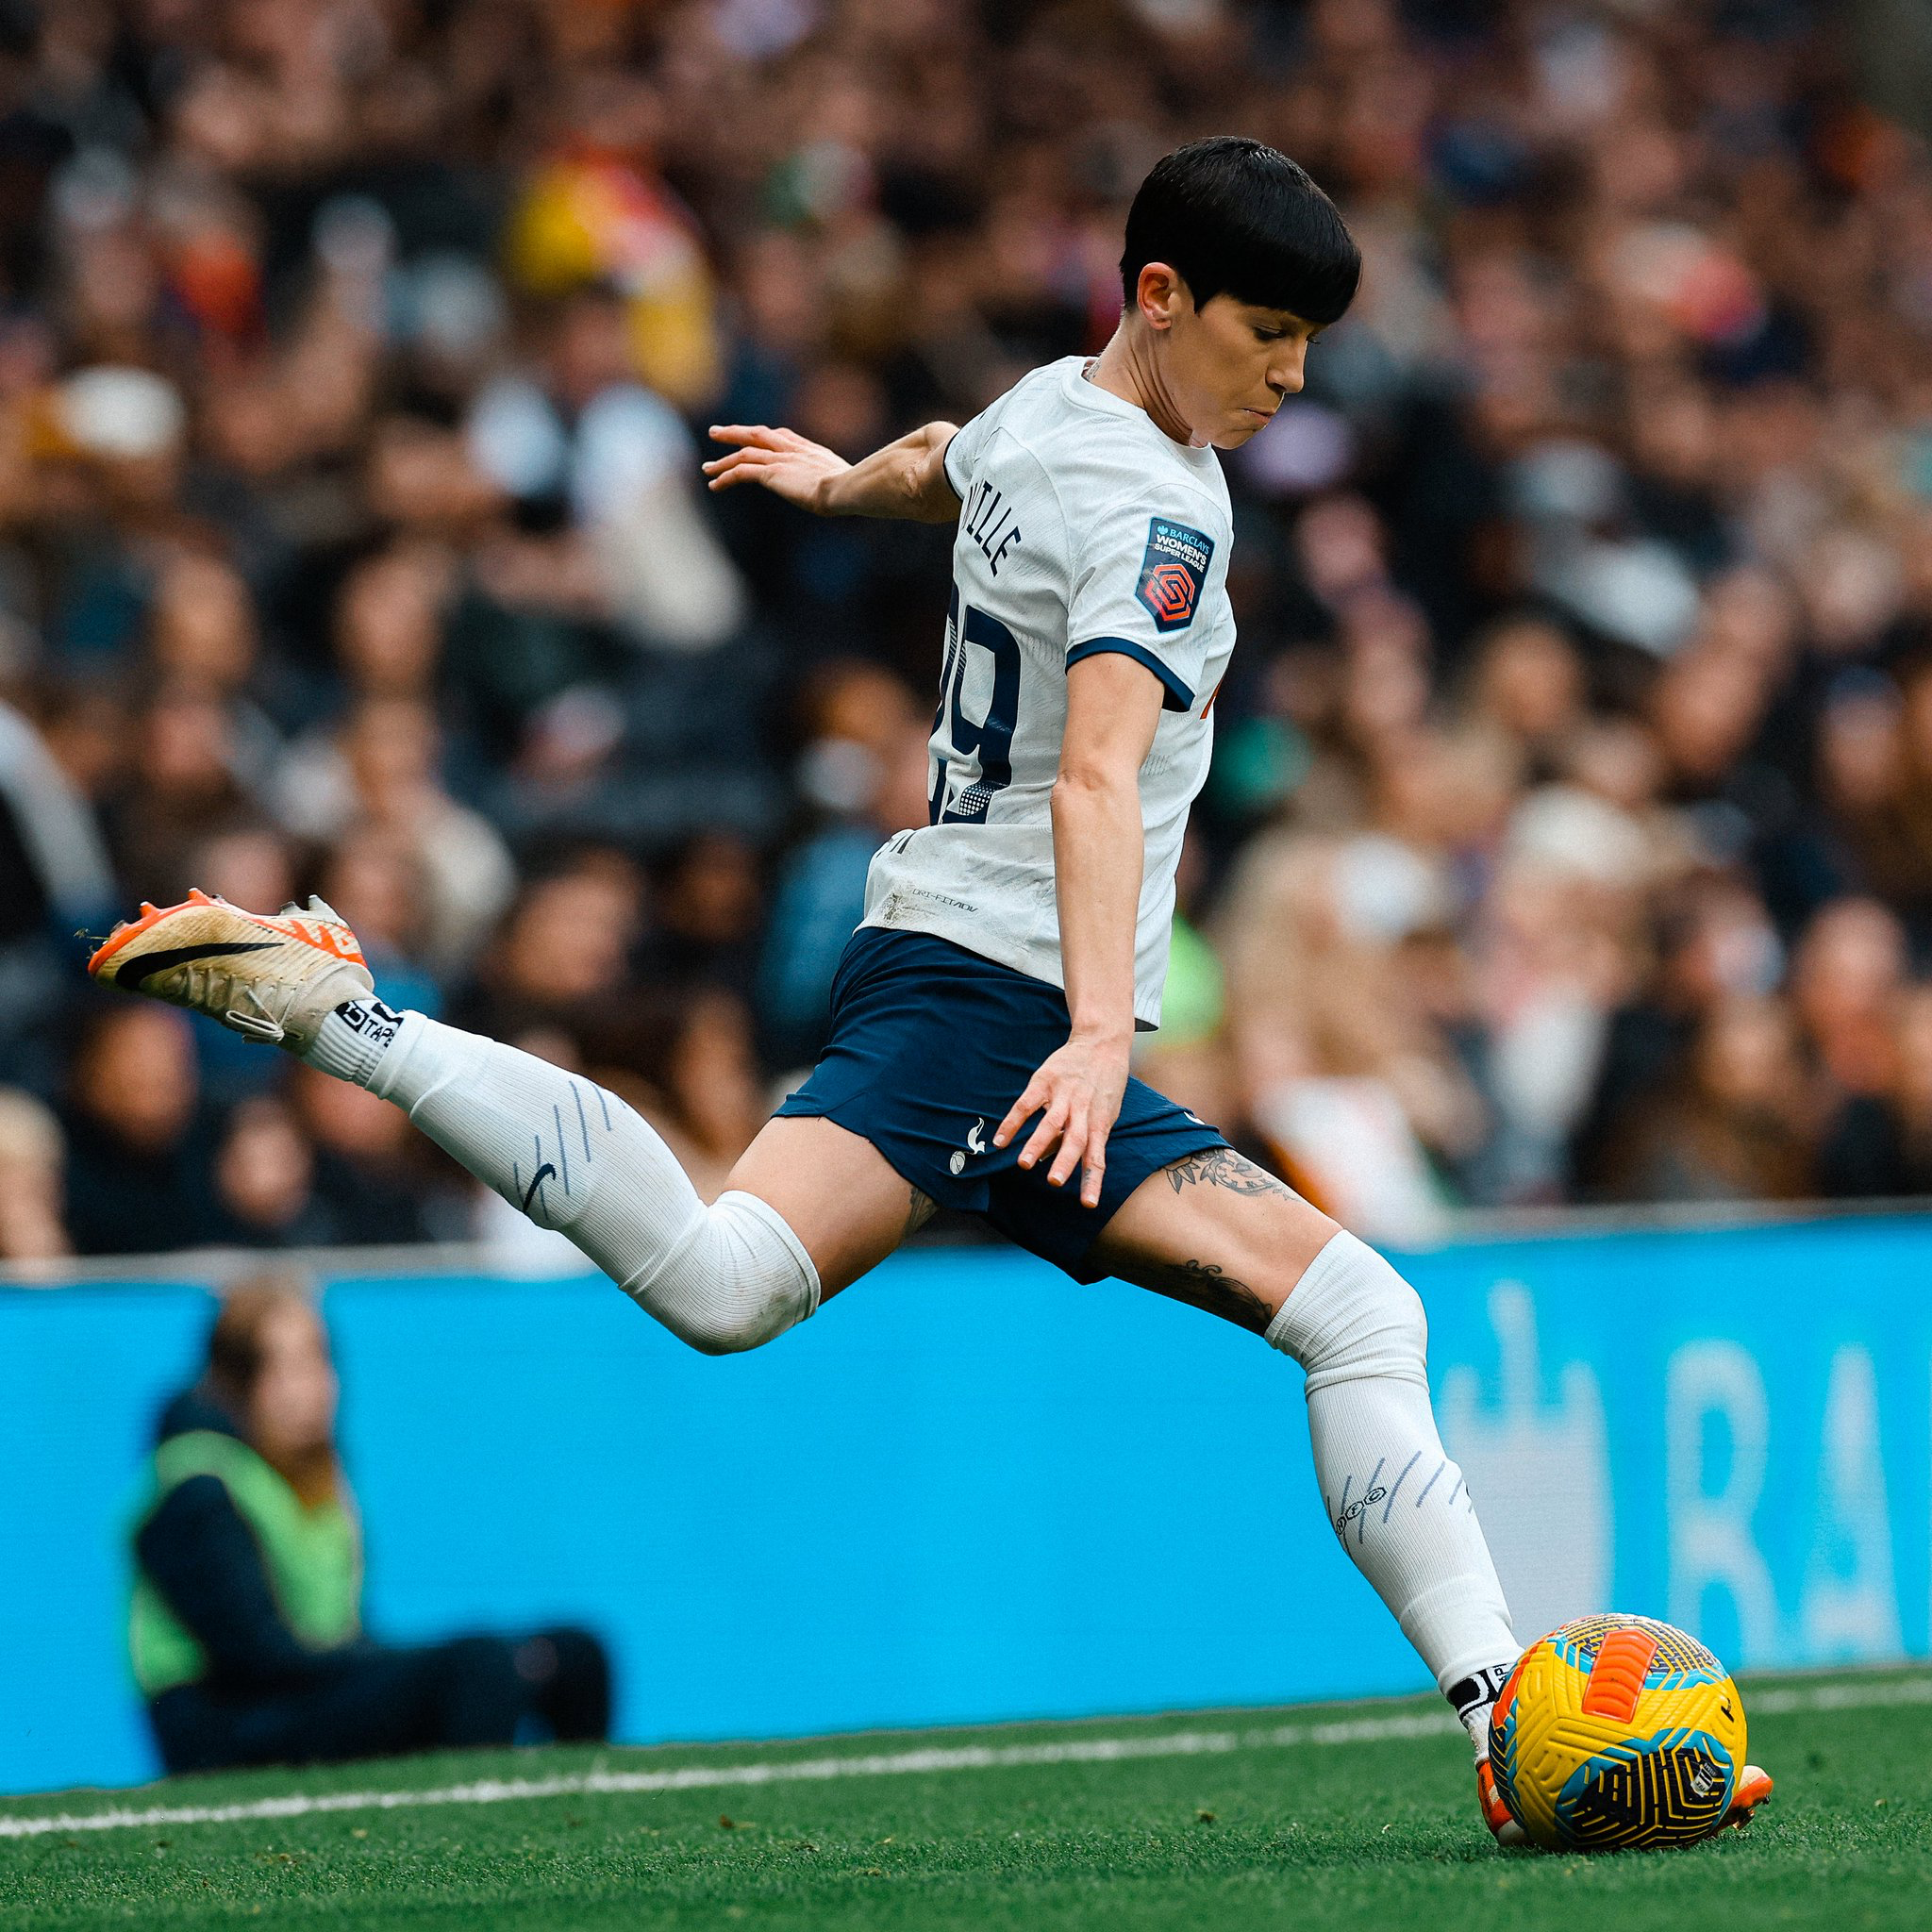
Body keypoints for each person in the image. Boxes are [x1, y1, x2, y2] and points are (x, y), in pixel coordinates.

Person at [90, 139, 1764, 1836]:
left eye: (1308, 342)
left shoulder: (1051, 408)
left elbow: (948, 462)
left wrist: (840, 489)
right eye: (1265, 332)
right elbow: (1096, 774)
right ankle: (347, 1019)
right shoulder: (1164, 511)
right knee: (748, 1281)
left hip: (958, 966)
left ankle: (1499, 1717)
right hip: (1006, 1001)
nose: (1291, 376)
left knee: (1332, 1313)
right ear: (1159, 296)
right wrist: (1097, 1034)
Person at [128, 1277, 611, 1774]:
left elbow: (339, 1633)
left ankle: (575, 1811)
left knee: (571, 1653)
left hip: (301, 1695)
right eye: (283, 1368)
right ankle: (471, 1813)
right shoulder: (199, 1485)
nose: (311, 1388)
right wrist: (401, 1669)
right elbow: (260, 1659)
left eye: (317, 1361)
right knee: (477, 1666)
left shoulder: (309, 1474)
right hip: (228, 1724)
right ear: (237, 1384)